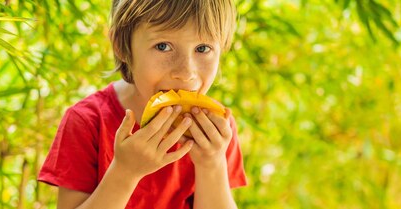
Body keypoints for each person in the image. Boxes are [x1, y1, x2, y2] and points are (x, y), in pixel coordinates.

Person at [38, 0, 247, 208]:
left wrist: (211, 164)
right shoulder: (87, 121)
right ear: (121, 45)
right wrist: (125, 172)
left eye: (203, 48)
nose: (185, 73)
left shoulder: (215, 130)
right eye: (163, 46)